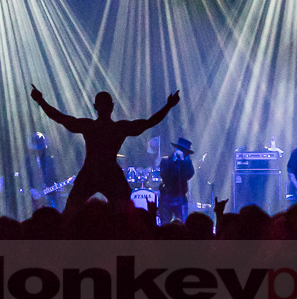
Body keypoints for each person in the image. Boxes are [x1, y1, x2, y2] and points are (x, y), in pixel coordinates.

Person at [30, 85, 180, 215]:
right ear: (112, 107)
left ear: (95, 107)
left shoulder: (89, 126)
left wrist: (41, 101)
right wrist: (168, 106)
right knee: (125, 212)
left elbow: (60, 118)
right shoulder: (118, 128)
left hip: (90, 171)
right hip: (110, 172)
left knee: (71, 211)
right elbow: (148, 123)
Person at [158, 137, 195, 224]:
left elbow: (189, 175)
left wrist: (182, 162)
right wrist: (173, 161)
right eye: (180, 149)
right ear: (175, 149)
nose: (182, 152)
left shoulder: (187, 164)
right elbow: (164, 175)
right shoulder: (166, 161)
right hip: (166, 196)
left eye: (185, 151)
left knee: (183, 223)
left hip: (180, 197)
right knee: (165, 224)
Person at [25, 131, 61, 211]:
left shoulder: (49, 160)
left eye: (40, 148)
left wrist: (54, 184)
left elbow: (54, 176)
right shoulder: (27, 161)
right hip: (32, 197)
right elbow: (23, 177)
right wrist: (31, 189)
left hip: (48, 196)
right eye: (36, 149)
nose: (38, 150)